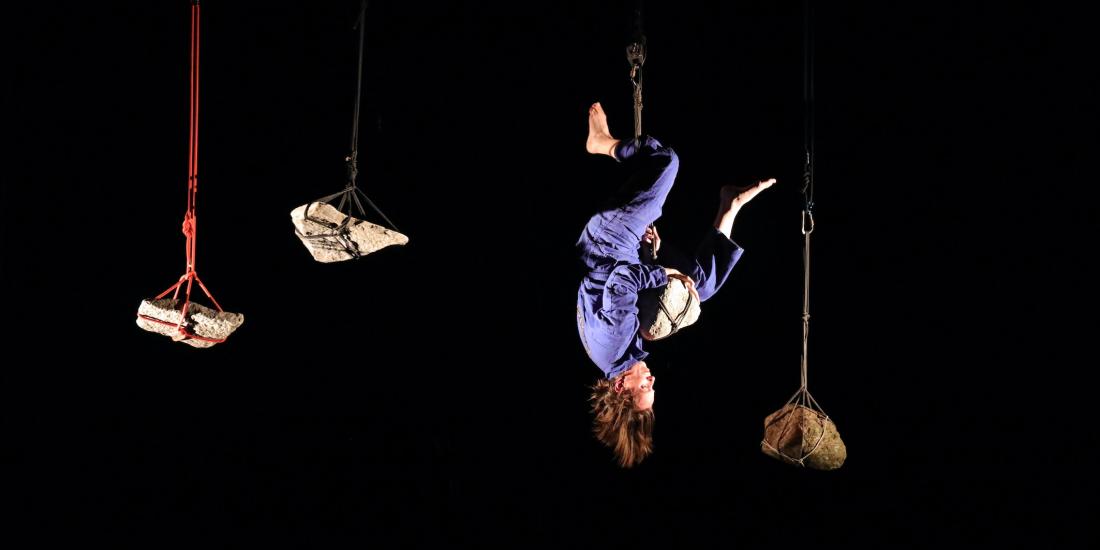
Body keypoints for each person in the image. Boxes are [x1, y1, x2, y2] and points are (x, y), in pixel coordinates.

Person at [576, 102, 775, 467]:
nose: (652, 382)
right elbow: (628, 288)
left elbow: (620, 280)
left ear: (621, 387)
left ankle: (601, 142)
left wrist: (664, 274)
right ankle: (728, 208)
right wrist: (656, 257)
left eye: (644, 388)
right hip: (624, 252)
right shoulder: (622, 352)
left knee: (667, 162)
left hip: (608, 242)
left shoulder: (615, 344)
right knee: (699, 293)